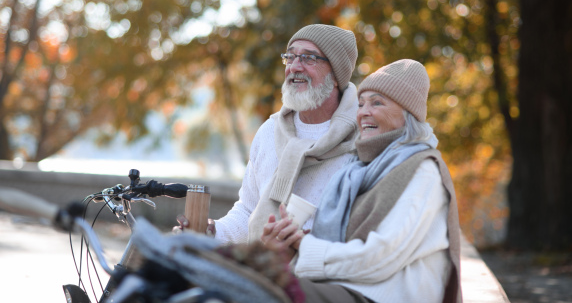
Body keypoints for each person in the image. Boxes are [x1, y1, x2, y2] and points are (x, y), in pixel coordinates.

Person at [261, 59, 462, 303]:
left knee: (264, 292)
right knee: (252, 284)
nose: (364, 112)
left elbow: (381, 257)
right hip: (347, 289)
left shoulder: (423, 170)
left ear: (408, 114)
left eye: (377, 103)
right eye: (361, 104)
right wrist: (286, 248)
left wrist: (305, 249)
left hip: (385, 297)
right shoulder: (356, 172)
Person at [178, 24, 360, 244]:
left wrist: (305, 245)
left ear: (336, 74)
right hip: (262, 269)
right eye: (290, 57)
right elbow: (248, 211)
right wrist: (213, 232)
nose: (294, 67)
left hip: (321, 273)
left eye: (309, 58)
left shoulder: (361, 138)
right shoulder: (269, 132)